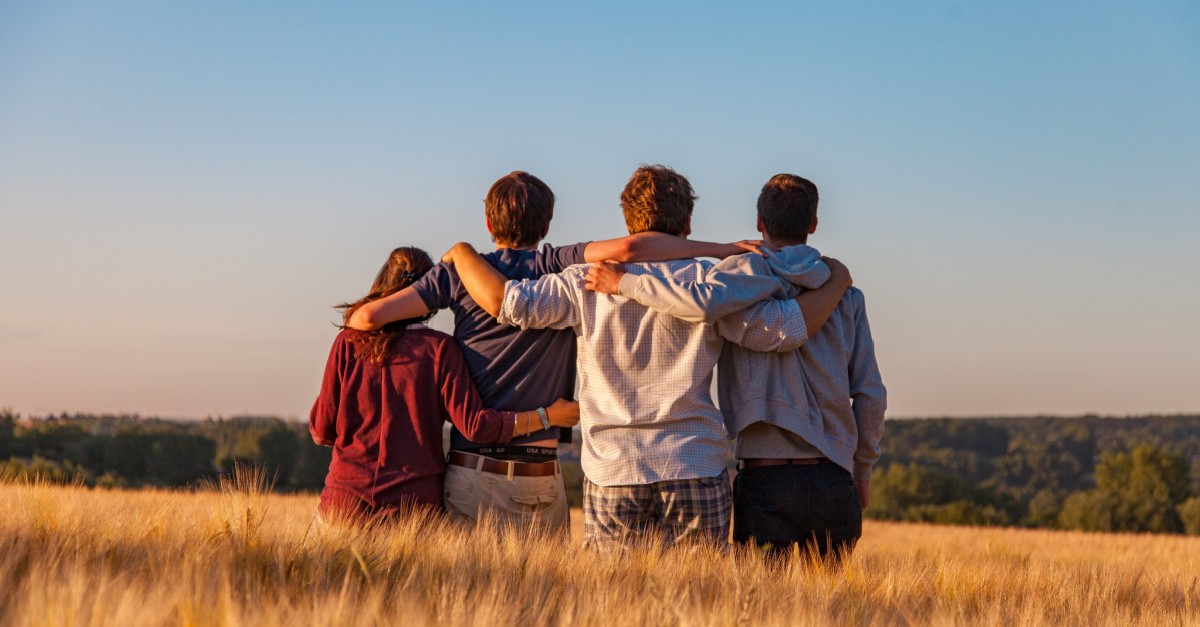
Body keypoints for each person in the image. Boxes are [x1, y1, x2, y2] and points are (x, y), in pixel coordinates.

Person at [442, 165, 852, 551]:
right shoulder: (711, 283)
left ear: (627, 223)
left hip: (613, 468)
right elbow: (782, 331)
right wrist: (836, 282)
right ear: (687, 225)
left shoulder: (583, 281)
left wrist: (461, 253)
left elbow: (510, 304)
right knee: (701, 600)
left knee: (614, 602)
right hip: (694, 462)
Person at [344, 171, 764, 532]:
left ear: (488, 222)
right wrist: (722, 249)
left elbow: (365, 320)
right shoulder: (558, 264)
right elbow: (632, 249)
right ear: (547, 224)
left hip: (473, 469)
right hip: (540, 474)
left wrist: (455, 259)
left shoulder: (457, 274)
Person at [585, 173, 886, 559]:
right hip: (834, 477)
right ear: (813, 224)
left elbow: (700, 303)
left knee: (761, 609)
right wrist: (862, 469)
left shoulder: (734, 283)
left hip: (764, 478)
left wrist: (625, 283)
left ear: (759, 222)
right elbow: (870, 394)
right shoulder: (846, 295)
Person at [309, 246, 580, 524]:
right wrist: (547, 416)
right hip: (414, 510)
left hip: (344, 504)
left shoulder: (348, 343)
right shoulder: (440, 349)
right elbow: (476, 426)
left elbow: (322, 431)